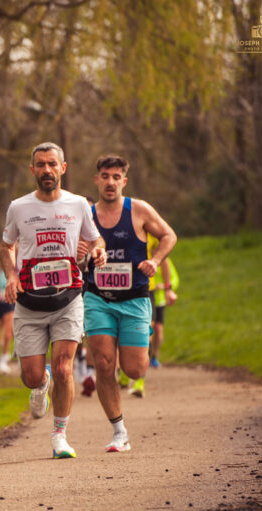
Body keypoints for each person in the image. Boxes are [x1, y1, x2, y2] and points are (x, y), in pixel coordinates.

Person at [0, 142, 106, 459]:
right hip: (29, 302)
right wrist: (10, 276)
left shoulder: (78, 204)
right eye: (40, 164)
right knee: (32, 376)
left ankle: (60, 435)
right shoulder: (19, 207)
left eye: (52, 164)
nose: (47, 170)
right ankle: (39, 384)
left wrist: (98, 249)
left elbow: (95, 236)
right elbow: (6, 247)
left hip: (68, 297)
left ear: (63, 168)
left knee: (63, 368)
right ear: (32, 170)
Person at [83, 155, 176, 451]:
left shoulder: (138, 210)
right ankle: (118, 432)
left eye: (116, 176)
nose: (110, 182)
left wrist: (155, 260)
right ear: (96, 179)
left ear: (124, 181)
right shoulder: (86, 213)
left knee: (135, 370)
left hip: (135, 298)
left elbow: (168, 235)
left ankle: (135, 345)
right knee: (103, 363)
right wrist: (82, 255)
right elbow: (73, 249)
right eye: (105, 176)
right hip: (97, 298)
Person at [124, 233, 179, 397]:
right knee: (121, 333)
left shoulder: (153, 236)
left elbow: (165, 261)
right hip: (122, 287)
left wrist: (168, 289)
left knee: (146, 334)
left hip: (147, 290)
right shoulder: (122, 227)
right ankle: (122, 372)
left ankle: (140, 381)